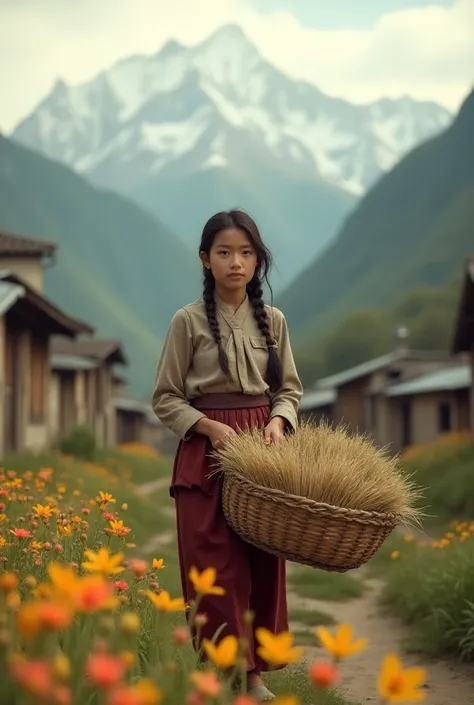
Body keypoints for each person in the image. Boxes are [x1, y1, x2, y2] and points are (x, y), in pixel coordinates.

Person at [152, 209, 302, 701]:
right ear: (205, 259)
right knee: (214, 569)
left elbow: (289, 391)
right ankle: (221, 673)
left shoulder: (274, 321)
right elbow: (166, 397)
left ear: (258, 260)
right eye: (224, 252)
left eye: (245, 252)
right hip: (205, 452)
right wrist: (211, 427)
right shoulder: (186, 321)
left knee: (261, 562)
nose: (235, 262)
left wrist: (278, 422)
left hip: (262, 452)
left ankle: (252, 677)